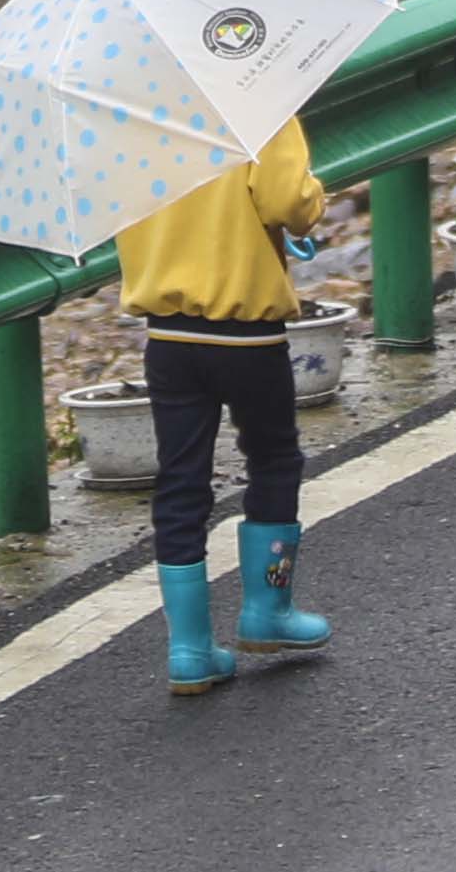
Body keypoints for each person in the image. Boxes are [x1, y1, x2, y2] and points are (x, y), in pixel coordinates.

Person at [110, 113, 337, 693]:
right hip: (247, 332)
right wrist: (311, 201)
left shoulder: (126, 115)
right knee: (273, 458)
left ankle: (189, 650)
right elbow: (287, 200)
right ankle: (268, 609)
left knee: (181, 480)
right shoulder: (255, 104)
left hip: (168, 339)